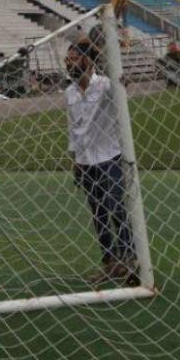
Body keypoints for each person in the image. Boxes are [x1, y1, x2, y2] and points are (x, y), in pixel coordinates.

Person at [65, 39, 138, 286]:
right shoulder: (69, 93)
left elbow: (120, 88)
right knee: (98, 214)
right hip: (86, 162)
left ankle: (130, 261)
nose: (68, 62)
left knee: (116, 207)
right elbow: (73, 129)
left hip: (110, 157)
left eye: (74, 57)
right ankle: (110, 264)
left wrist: (121, 80)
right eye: (67, 59)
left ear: (87, 61)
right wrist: (75, 160)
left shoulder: (104, 85)